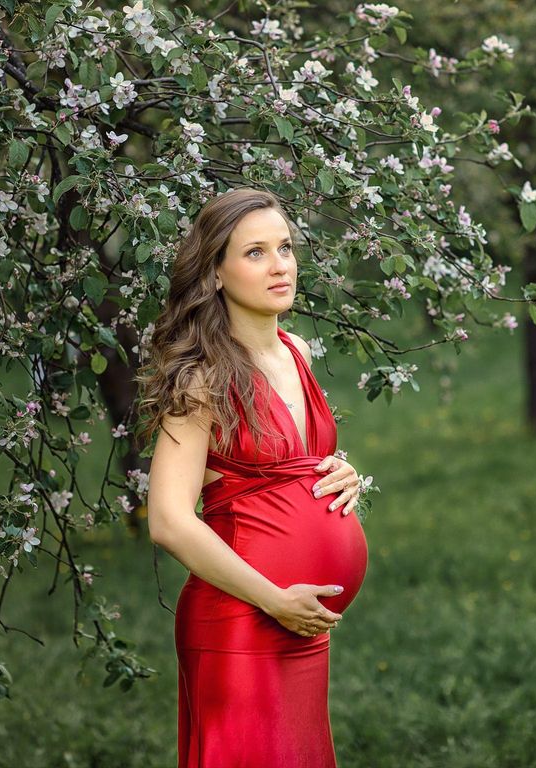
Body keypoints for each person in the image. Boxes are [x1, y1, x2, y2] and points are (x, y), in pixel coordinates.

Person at [136, 187, 370, 767]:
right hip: (242, 621)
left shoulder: (298, 351)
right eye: (255, 252)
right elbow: (168, 520)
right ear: (215, 273)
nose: (280, 265)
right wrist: (274, 600)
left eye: (285, 248)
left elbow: (281, 469)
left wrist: (341, 475)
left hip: (302, 624)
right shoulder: (199, 379)